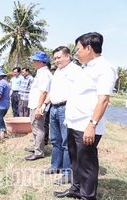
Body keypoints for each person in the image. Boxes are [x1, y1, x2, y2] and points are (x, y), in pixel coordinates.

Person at [54, 32, 117, 199]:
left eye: (79, 49)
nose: (77, 53)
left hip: (86, 126)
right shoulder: (86, 68)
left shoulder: (104, 68)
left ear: (89, 48)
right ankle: (75, 189)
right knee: (75, 160)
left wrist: (92, 125)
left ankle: (87, 196)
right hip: (74, 123)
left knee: (86, 163)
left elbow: (103, 100)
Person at [41, 46, 82, 185]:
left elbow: (80, 92)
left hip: (67, 108)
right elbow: (52, 92)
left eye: (59, 57)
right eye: (55, 58)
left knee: (66, 142)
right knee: (56, 140)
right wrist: (44, 105)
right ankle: (55, 167)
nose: (57, 60)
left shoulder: (76, 70)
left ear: (68, 56)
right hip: (54, 108)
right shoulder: (57, 72)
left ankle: (67, 173)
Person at [24, 51, 52, 161]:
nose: (33, 63)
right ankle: (36, 147)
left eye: (34, 61)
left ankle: (39, 152)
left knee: (38, 128)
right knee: (35, 127)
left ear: (41, 62)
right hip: (35, 104)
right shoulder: (40, 73)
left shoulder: (45, 74)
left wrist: (39, 108)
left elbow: (44, 92)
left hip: (38, 106)